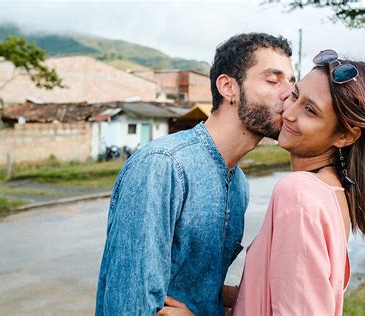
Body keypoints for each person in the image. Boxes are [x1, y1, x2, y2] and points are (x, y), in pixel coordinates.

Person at [95, 33, 295, 315]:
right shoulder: (163, 166)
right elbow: (129, 305)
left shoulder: (238, 184)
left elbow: (202, 292)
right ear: (228, 88)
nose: (289, 93)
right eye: (273, 80)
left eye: (291, 82)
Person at [230, 50, 365, 315]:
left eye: (310, 110)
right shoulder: (334, 193)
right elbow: (276, 297)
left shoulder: (299, 194)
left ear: (345, 136)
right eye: (295, 96)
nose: (288, 113)